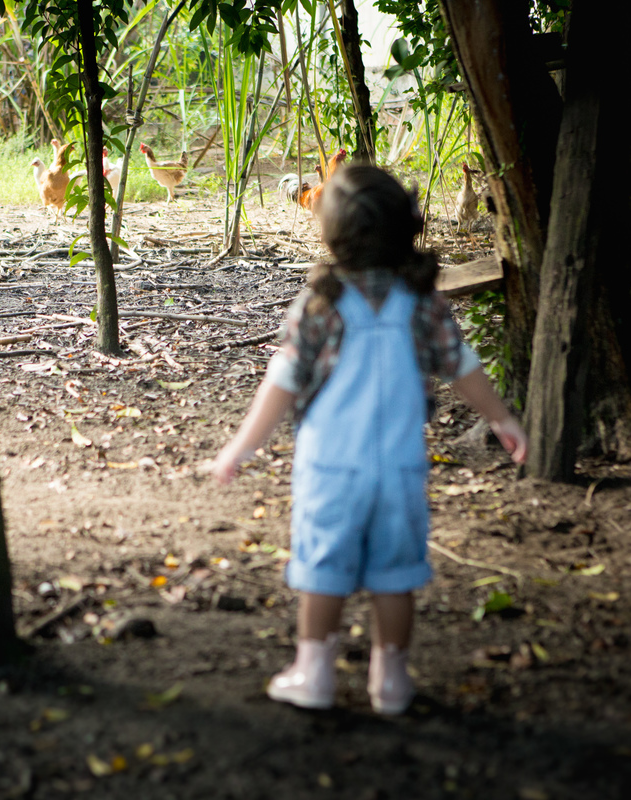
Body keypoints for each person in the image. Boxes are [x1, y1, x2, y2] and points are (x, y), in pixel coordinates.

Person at [211, 166, 527, 715]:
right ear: (406, 229)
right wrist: (504, 420)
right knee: (395, 574)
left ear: (332, 233)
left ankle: (313, 673)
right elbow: (463, 367)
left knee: (323, 569)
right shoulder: (424, 304)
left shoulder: (319, 304)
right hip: (401, 466)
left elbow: (280, 383)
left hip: (330, 467)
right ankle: (392, 681)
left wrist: (240, 446)